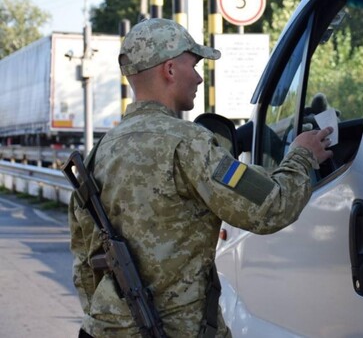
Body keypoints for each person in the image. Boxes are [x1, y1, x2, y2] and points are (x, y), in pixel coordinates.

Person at [69, 18, 334, 338]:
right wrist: (301, 156)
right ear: (169, 70)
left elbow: (87, 263)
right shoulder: (189, 143)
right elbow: (270, 207)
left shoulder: (98, 153)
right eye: (193, 66)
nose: (197, 78)